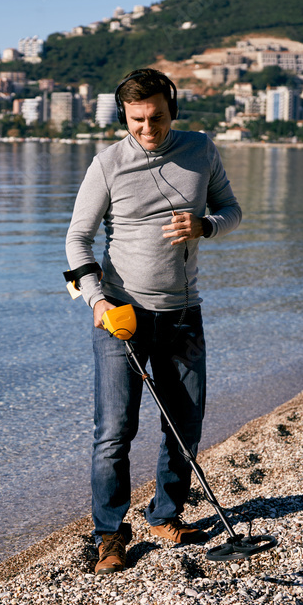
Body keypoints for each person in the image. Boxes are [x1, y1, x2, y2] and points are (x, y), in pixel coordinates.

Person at [64, 69, 242, 575]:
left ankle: (165, 515)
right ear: (125, 115)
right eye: (137, 120)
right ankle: (110, 535)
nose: (148, 129)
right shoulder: (108, 164)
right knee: (115, 430)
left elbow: (232, 209)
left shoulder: (201, 150)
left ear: (173, 108)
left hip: (184, 313)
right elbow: (77, 240)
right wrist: (97, 300)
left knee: (185, 423)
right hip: (122, 315)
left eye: (157, 118)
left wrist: (206, 225)